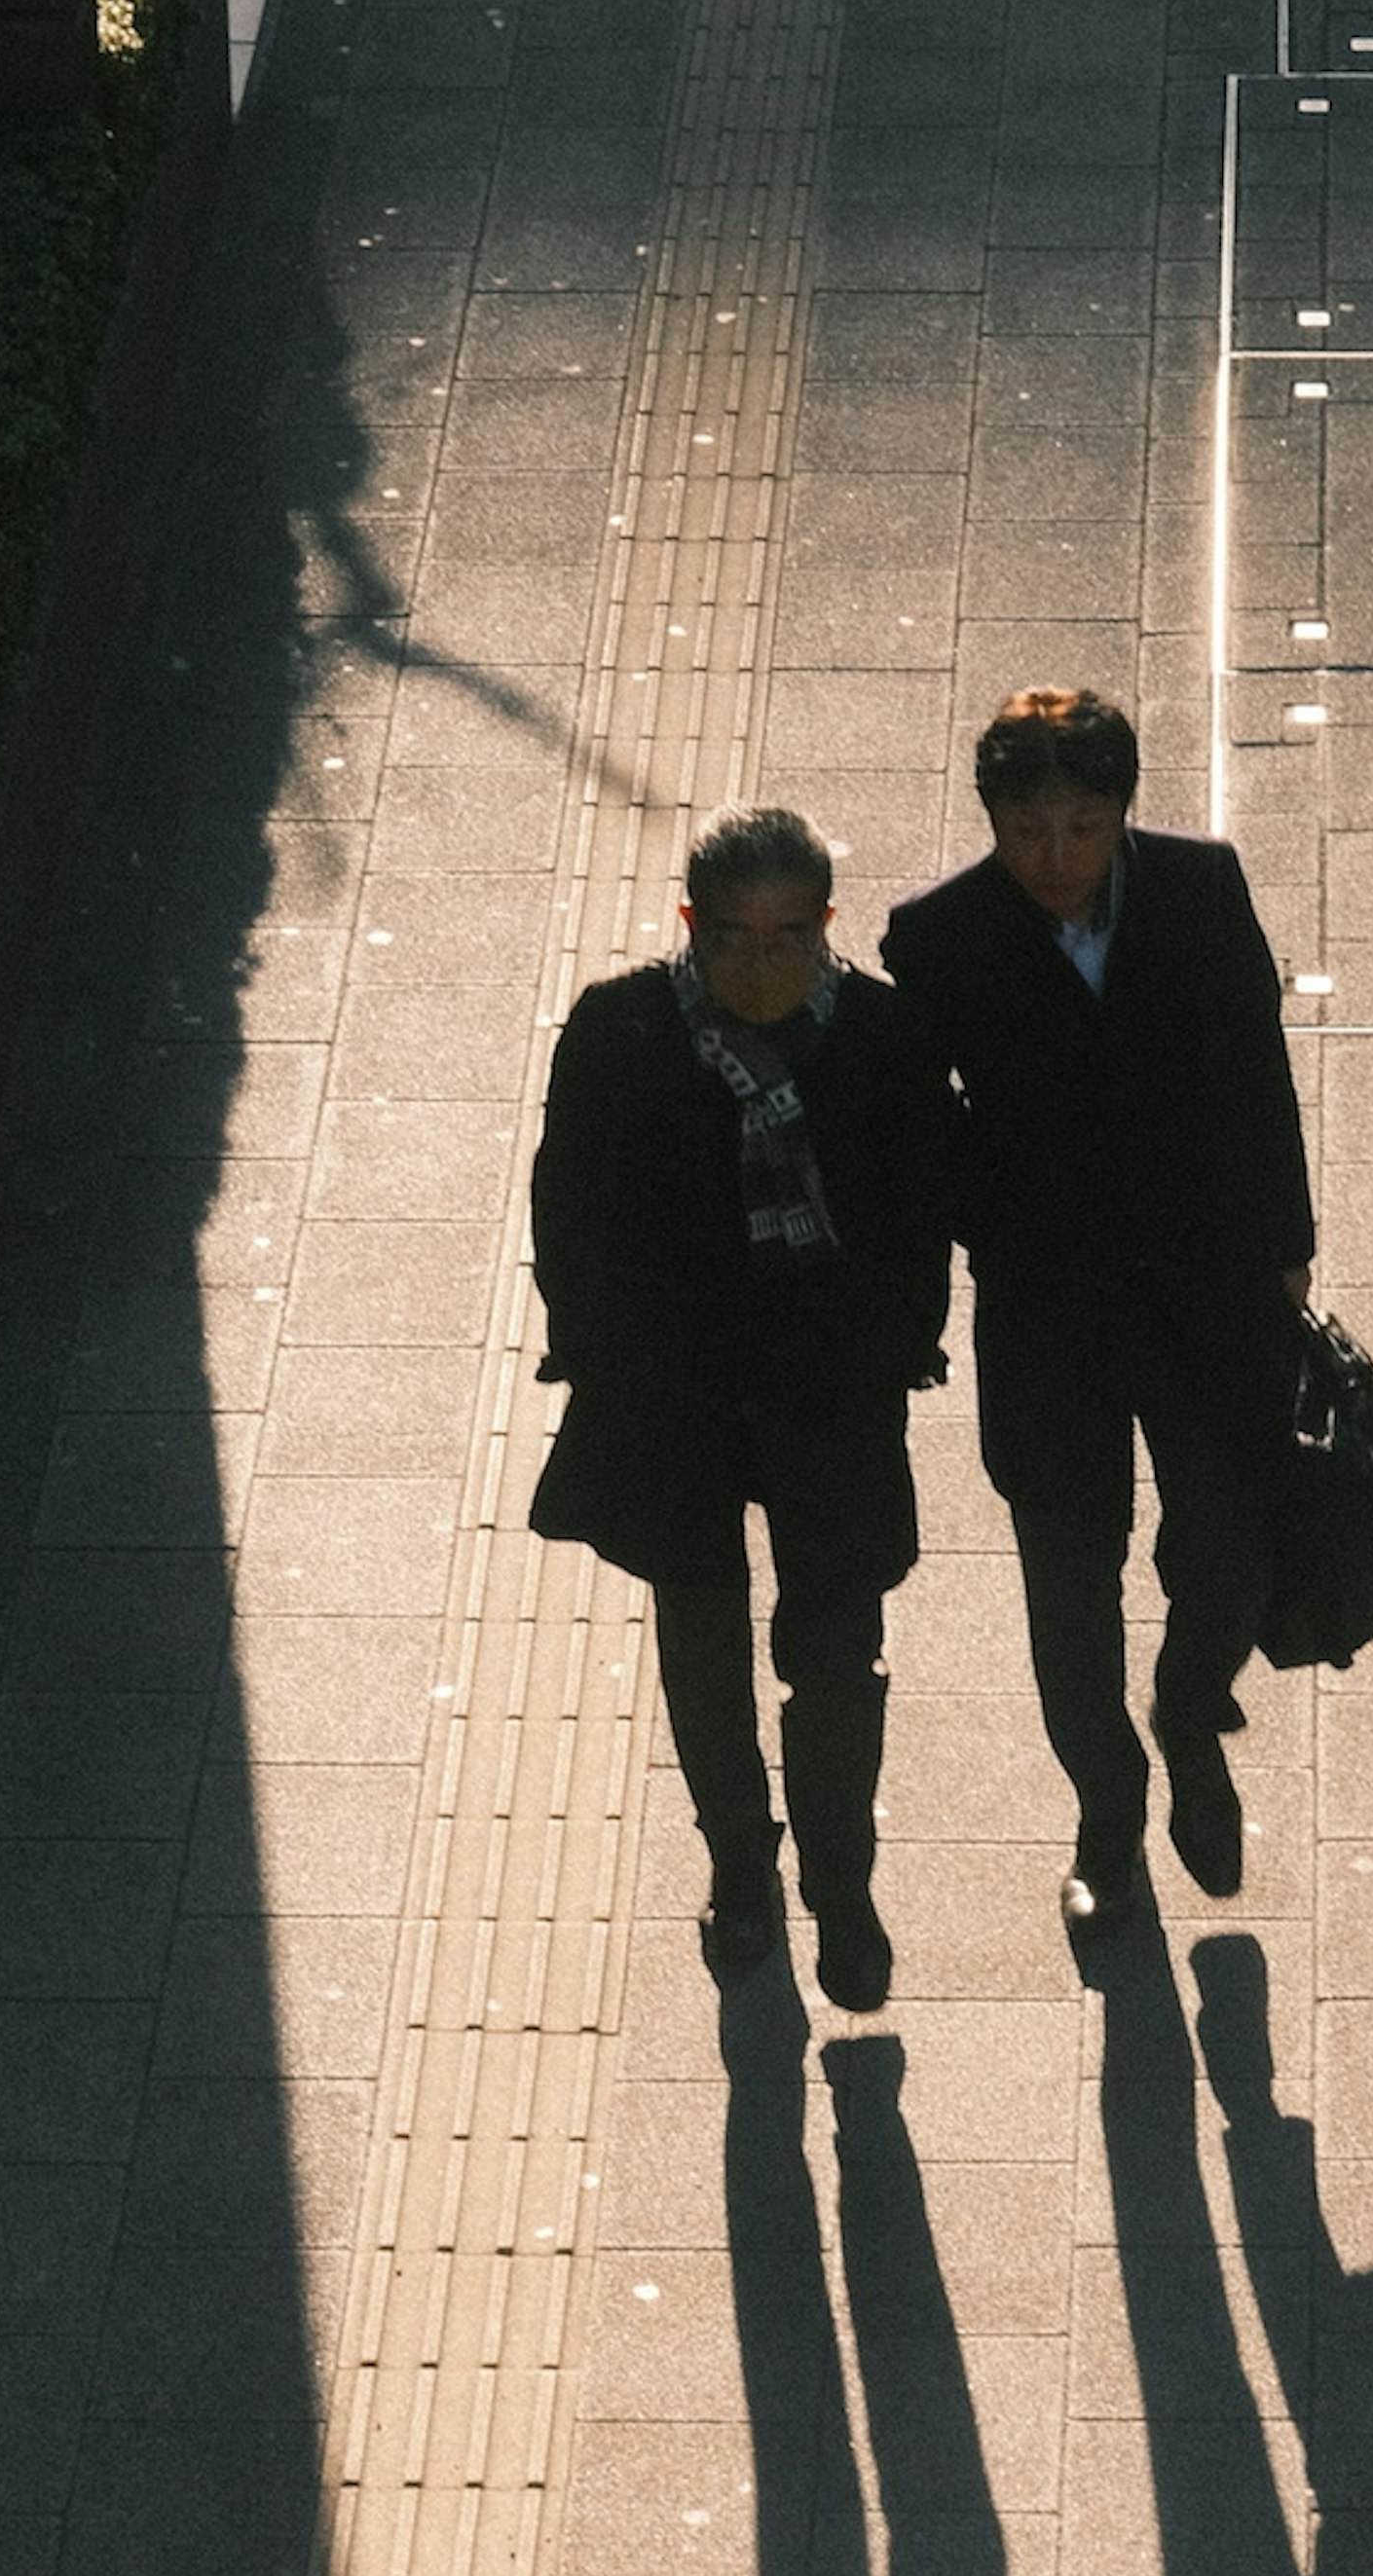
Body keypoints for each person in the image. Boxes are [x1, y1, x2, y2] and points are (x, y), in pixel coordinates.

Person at [883, 689, 1315, 1936]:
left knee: (1229, 1549)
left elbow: (1258, 1074)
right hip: (1048, 1315)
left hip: (1206, 1290)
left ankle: (1190, 1710)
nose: (1055, 858)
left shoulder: (1200, 889)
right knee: (1069, 1589)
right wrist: (998, 1219)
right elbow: (924, 1131)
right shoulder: (942, 937)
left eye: (1081, 826)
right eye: (1028, 830)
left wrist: (1286, 1247)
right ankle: (1107, 1813)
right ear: (993, 821)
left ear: (1123, 812)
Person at [525, 801, 960, 2010]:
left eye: (788, 936)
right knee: (702, 1639)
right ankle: (738, 1865)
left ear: (827, 927)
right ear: (690, 927)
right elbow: (567, 1206)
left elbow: (924, 1203)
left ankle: (843, 1881)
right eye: (733, 938)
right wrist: (601, 1351)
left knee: (837, 1652)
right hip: (677, 1389)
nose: (762, 967)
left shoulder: (881, 1035)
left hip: (831, 1390)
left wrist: (899, 1344)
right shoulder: (618, 1031)